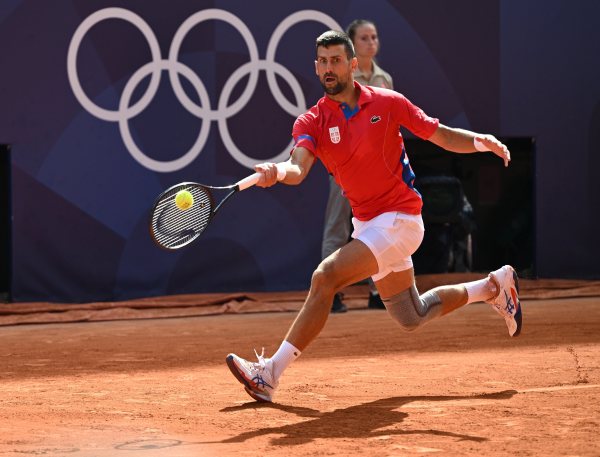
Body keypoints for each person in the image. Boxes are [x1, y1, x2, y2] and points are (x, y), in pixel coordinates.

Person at [226, 30, 522, 403]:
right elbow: (297, 168)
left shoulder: (388, 102)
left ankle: (269, 374)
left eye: (336, 60)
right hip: (368, 225)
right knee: (411, 315)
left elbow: (440, 135)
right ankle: (494, 287)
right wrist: (277, 172)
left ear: (352, 65)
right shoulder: (311, 122)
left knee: (325, 276)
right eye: (322, 61)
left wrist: (482, 141)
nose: (328, 68)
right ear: (315, 67)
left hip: (400, 219)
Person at [323, 19, 393, 312]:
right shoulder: (342, 80)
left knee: (377, 228)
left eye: (374, 37)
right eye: (364, 38)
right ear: (353, 46)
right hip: (345, 168)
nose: (371, 42)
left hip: (376, 170)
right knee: (338, 227)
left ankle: (378, 292)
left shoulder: (384, 80)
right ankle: (331, 293)